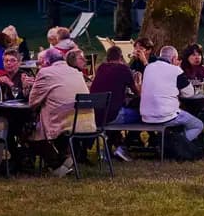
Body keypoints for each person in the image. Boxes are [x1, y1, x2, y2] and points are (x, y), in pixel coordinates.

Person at [27, 48, 94, 176]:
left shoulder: (45, 73)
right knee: (53, 122)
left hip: (64, 122)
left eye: (41, 63)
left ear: (46, 62)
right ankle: (65, 158)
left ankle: (57, 165)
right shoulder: (75, 71)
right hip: (86, 122)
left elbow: (32, 102)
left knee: (31, 132)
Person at [140, 45, 204, 147]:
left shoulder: (148, 67)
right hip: (166, 116)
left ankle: (168, 142)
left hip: (146, 116)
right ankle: (174, 146)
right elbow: (189, 93)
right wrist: (177, 68)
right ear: (174, 58)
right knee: (198, 125)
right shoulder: (175, 70)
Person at [90, 46, 141, 161]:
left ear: (107, 58)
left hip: (96, 115)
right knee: (144, 115)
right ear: (121, 57)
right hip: (112, 115)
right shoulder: (123, 69)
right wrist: (138, 82)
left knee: (114, 112)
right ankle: (124, 146)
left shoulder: (101, 68)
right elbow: (137, 92)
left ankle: (112, 148)